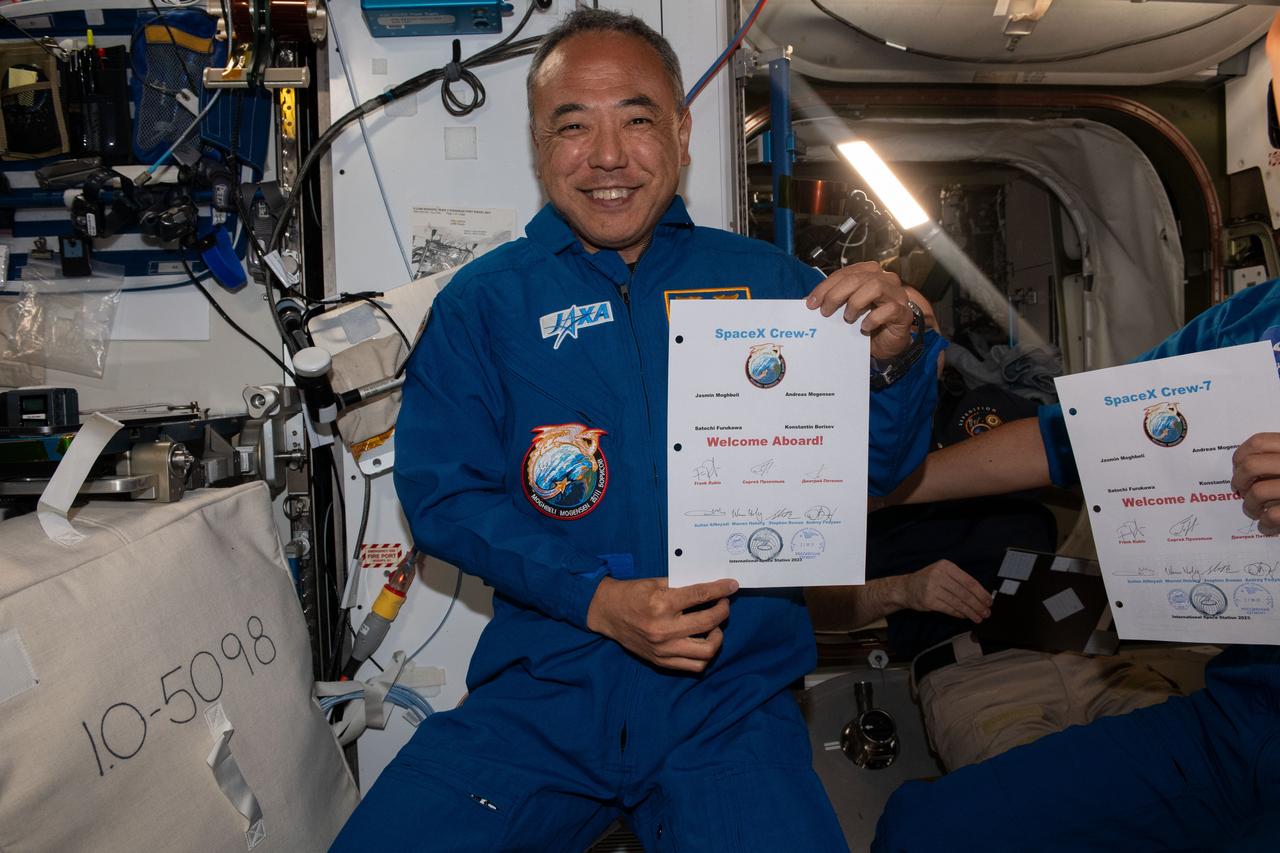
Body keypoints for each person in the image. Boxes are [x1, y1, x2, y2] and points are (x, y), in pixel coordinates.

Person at [332, 10, 944, 851]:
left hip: (727, 703)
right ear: (539, 145)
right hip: (543, 696)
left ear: (684, 131)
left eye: (638, 118)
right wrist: (596, 601)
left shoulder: (781, 288)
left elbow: (877, 469)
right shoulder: (483, 304)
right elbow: (444, 496)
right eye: (572, 125)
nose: (608, 155)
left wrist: (893, 363)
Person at [871, 277, 1280, 851]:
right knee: (923, 832)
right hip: (1240, 710)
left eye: (922, 332)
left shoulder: (983, 409)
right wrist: (881, 504)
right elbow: (1077, 435)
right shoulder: (1252, 320)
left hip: (1090, 654)